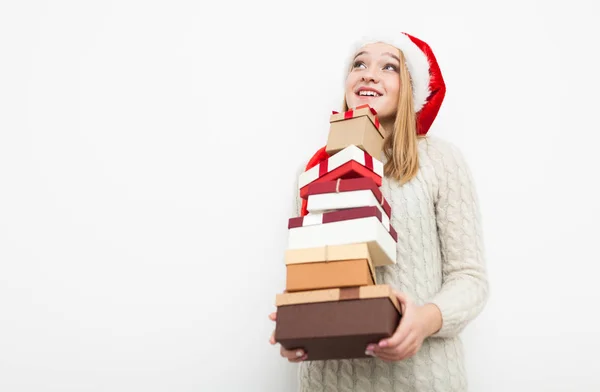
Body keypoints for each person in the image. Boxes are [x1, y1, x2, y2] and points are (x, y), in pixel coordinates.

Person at [269, 31, 489, 392]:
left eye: (389, 66)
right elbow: (312, 273)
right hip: (329, 381)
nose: (369, 74)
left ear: (412, 90)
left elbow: (470, 279)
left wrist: (424, 320)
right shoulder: (312, 171)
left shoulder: (439, 161)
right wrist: (298, 323)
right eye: (359, 63)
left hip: (419, 379)